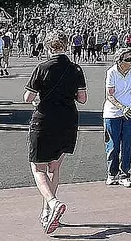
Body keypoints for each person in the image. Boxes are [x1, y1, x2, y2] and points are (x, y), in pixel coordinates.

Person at [24, 31, 88, 235]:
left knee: (38, 167)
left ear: (48, 47)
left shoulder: (42, 68)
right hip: (68, 120)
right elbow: (83, 98)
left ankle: (52, 203)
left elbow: (28, 97)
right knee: (55, 167)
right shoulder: (75, 69)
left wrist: (36, 99)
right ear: (67, 45)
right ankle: (46, 212)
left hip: (44, 119)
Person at [105, 48, 131, 188]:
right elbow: (110, 95)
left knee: (127, 144)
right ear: (119, 61)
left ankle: (124, 174)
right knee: (113, 145)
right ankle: (112, 174)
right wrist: (122, 108)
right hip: (113, 113)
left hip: (130, 112)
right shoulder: (111, 72)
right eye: (127, 59)